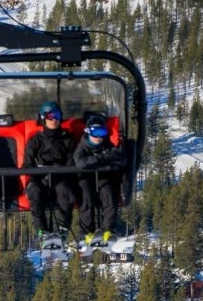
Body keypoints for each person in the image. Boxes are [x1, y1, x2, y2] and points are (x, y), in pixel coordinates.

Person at [23, 101, 77, 243]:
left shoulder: (67, 139)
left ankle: (63, 229)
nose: (54, 120)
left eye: (57, 116)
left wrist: (62, 172)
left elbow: (72, 162)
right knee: (35, 191)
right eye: (50, 116)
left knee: (65, 190)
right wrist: (39, 173)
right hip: (39, 178)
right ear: (43, 118)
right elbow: (27, 164)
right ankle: (42, 231)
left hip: (60, 177)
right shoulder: (35, 140)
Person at [72, 113, 126, 245]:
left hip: (103, 177)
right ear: (88, 132)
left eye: (101, 132)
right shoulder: (83, 145)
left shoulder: (106, 144)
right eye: (95, 132)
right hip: (85, 178)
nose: (98, 137)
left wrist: (103, 158)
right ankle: (87, 232)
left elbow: (119, 156)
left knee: (109, 195)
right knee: (86, 198)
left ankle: (108, 230)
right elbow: (80, 162)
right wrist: (101, 158)